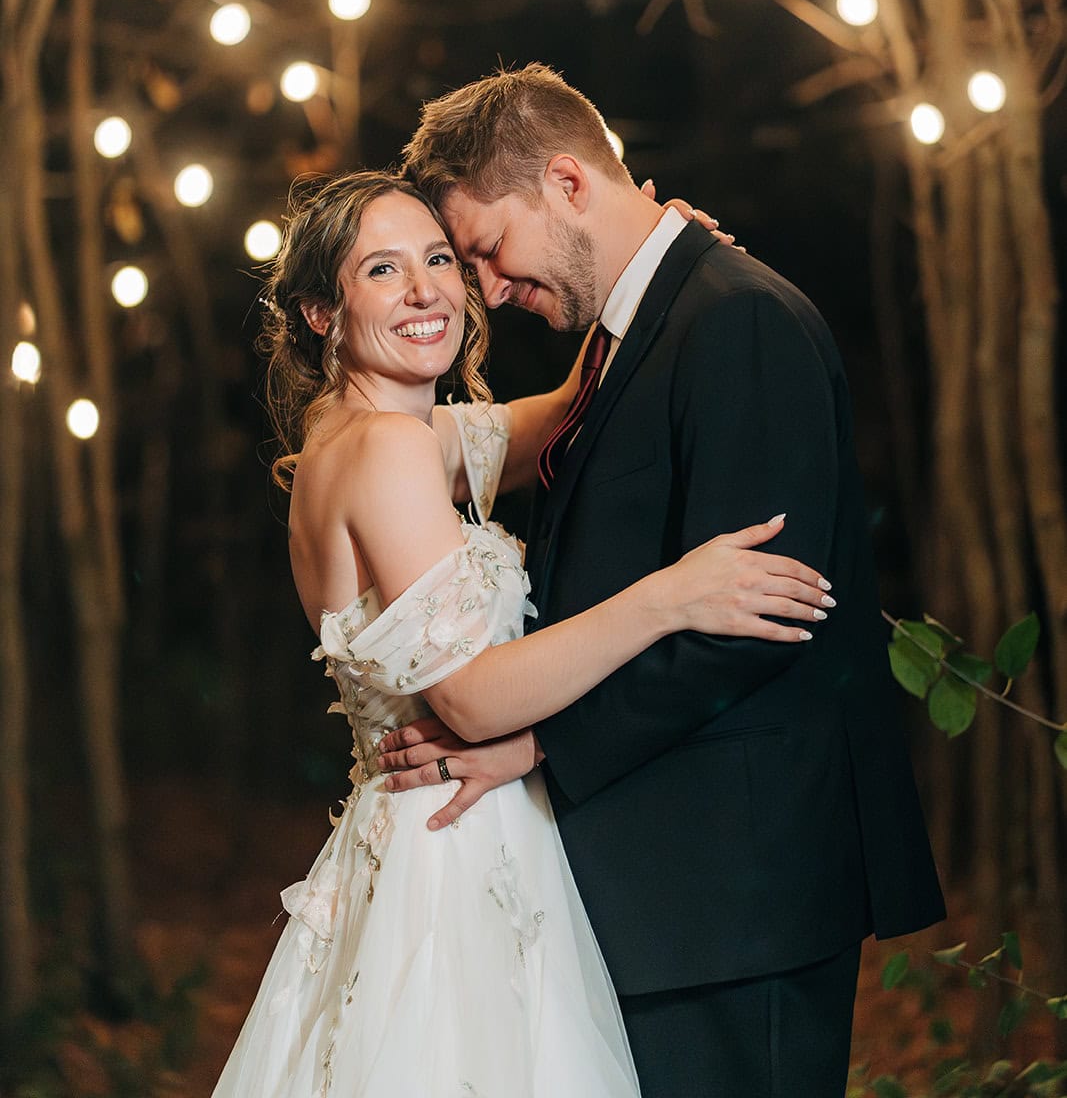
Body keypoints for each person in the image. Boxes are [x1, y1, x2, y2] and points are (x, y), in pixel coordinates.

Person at [210, 170, 833, 1098]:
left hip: (434, 828)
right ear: (318, 312)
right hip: (453, 853)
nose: (428, 291)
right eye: (384, 270)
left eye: (438, 260)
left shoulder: (356, 432)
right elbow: (469, 695)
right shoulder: (384, 451)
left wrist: (650, 256)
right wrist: (671, 596)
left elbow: (554, 415)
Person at [389, 64, 946, 1098]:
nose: (490, 289)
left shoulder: (735, 318)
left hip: (738, 887)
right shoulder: (634, 333)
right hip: (668, 884)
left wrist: (537, 743)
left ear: (564, 180)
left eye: (487, 249)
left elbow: (758, 616)